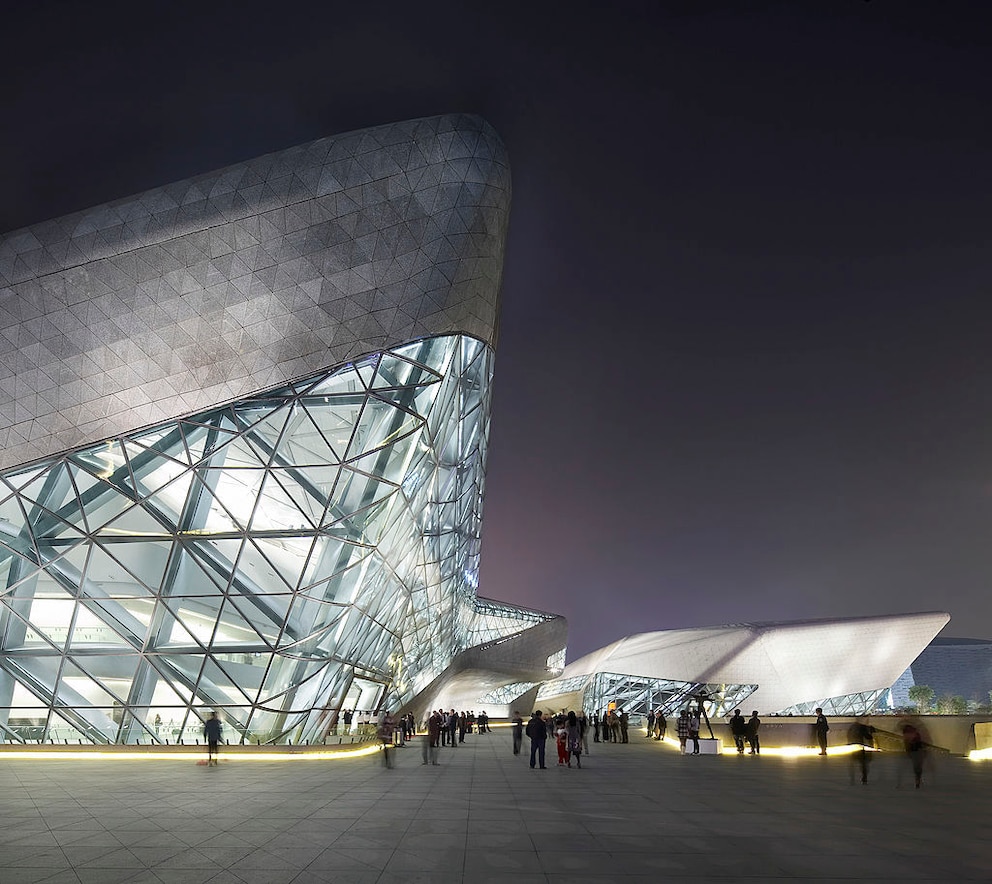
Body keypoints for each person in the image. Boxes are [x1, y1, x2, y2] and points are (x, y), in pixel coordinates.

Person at [848, 716, 874, 784]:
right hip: (860, 747)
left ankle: (852, 779)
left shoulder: (852, 726)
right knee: (863, 764)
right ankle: (864, 778)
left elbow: (848, 735)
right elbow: (867, 736)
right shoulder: (862, 727)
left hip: (853, 746)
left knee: (853, 763)